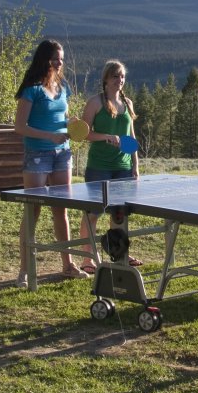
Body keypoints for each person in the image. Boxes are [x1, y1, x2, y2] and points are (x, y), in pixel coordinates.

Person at [13, 39, 88, 287]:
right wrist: (49, 136)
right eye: (56, 58)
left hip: (62, 153)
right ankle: (25, 270)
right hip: (37, 154)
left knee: (61, 210)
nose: (59, 63)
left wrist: (71, 124)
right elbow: (20, 127)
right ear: (44, 59)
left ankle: (67, 265)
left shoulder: (62, 86)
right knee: (32, 210)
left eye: (62, 59)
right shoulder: (31, 89)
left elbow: (63, 118)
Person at [77, 59, 143, 273]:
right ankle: (88, 259)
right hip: (99, 167)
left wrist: (135, 165)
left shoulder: (128, 103)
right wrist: (106, 136)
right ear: (106, 78)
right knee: (93, 214)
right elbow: (84, 134)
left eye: (122, 76)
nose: (119, 80)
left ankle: (120, 254)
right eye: (115, 76)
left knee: (119, 214)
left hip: (122, 167)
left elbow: (131, 138)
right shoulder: (95, 103)